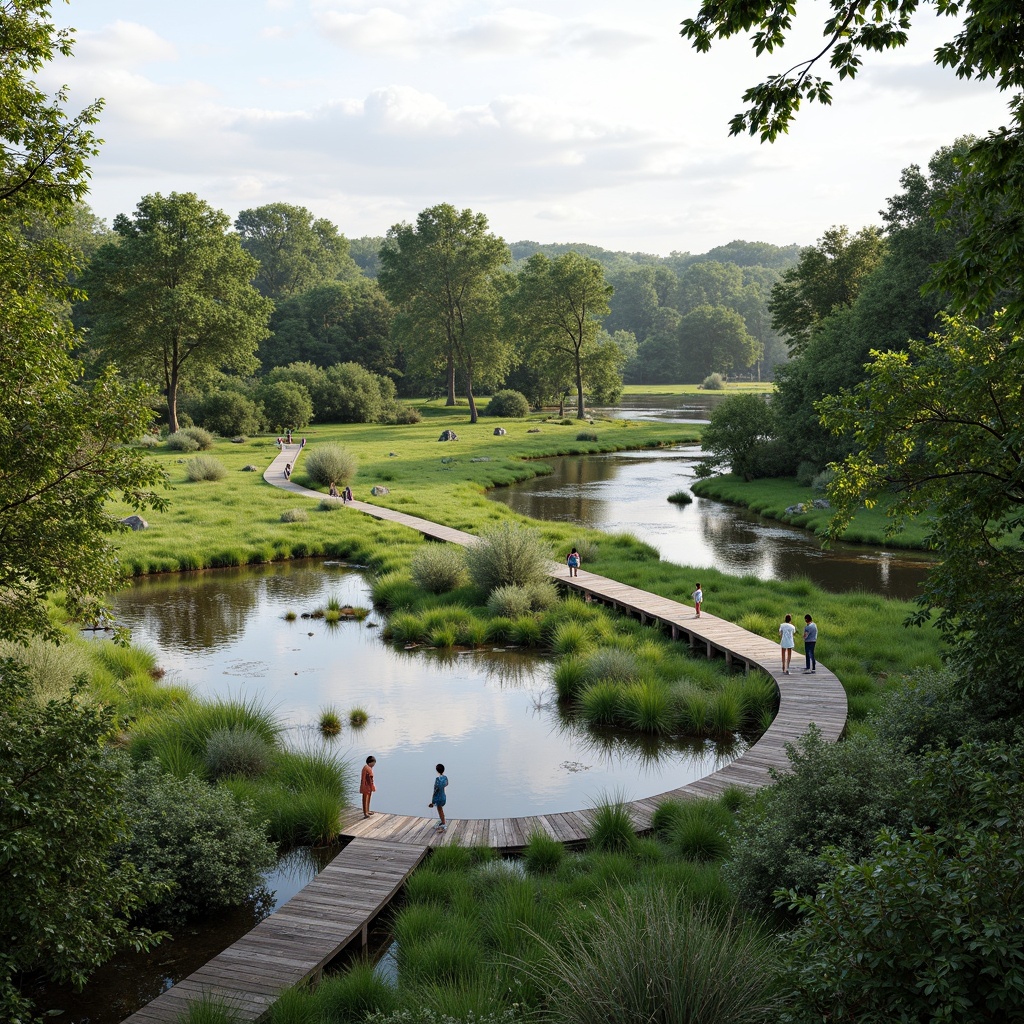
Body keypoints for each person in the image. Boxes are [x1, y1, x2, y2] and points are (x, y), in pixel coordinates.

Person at [428, 763, 449, 832]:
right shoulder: (445, 778)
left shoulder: (437, 779)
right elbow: (446, 784)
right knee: (441, 810)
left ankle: (443, 823)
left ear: (437, 770)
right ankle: (443, 821)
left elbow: (435, 790)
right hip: (443, 796)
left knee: (440, 810)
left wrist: (433, 802)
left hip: (438, 798)